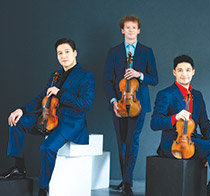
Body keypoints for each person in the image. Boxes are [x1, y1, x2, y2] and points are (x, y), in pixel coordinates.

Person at [0, 38, 95, 196]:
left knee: (47, 148)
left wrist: (61, 93)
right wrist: (22, 110)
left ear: (75, 53)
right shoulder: (55, 75)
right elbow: (40, 98)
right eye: (59, 53)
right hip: (47, 117)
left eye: (67, 52)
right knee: (16, 122)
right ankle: (19, 167)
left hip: (70, 123)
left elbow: (85, 104)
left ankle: (43, 189)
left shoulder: (86, 76)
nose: (63, 56)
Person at [151, 55, 210, 196]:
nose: (184, 74)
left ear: (193, 72)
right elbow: (154, 123)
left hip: (193, 141)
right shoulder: (165, 94)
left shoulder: (197, 95)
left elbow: (205, 124)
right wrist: (175, 117)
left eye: (187, 70)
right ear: (174, 72)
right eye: (180, 70)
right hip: (172, 142)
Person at [104, 15, 158, 196]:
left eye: (134, 27)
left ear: (139, 30)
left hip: (138, 104)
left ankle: (127, 182)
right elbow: (107, 80)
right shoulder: (113, 52)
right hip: (119, 104)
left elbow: (154, 78)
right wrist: (113, 101)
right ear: (122, 30)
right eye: (127, 27)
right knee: (121, 144)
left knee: (132, 142)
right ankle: (126, 179)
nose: (130, 30)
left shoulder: (147, 51)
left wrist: (139, 74)